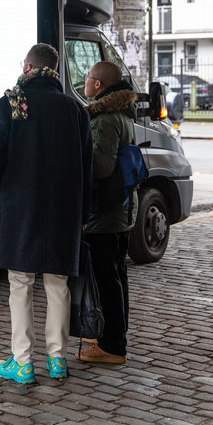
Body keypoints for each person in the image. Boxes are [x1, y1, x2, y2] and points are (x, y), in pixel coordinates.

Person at [0, 43, 93, 383]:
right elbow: (87, 167)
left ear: (28, 67)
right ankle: (57, 359)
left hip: (20, 205)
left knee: (21, 283)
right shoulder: (75, 110)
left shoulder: (12, 103)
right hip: (63, 208)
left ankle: (23, 362)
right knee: (58, 282)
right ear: (54, 70)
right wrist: (83, 210)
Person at [77, 60, 137, 365]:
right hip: (123, 210)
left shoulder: (103, 119)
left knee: (106, 279)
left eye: (87, 78)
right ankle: (115, 338)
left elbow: (99, 168)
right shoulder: (124, 115)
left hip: (106, 211)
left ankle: (112, 346)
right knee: (117, 276)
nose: (85, 82)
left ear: (98, 85)